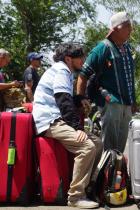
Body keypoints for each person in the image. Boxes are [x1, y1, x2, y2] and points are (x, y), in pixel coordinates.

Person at [32, 43, 103, 209]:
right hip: (49, 121)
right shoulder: (62, 70)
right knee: (86, 146)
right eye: (80, 57)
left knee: (98, 144)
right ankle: (75, 197)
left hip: (56, 118)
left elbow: (64, 98)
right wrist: (77, 128)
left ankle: (89, 187)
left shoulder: (62, 70)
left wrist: (79, 99)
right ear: (68, 59)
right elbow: (63, 101)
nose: (84, 61)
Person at [77, 11, 136, 153]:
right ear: (116, 28)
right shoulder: (102, 48)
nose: (130, 29)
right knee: (110, 146)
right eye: (127, 26)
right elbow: (83, 75)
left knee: (121, 146)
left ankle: (117, 173)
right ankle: (106, 174)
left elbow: (130, 77)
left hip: (126, 104)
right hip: (110, 102)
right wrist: (80, 99)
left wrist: (133, 101)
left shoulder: (127, 48)